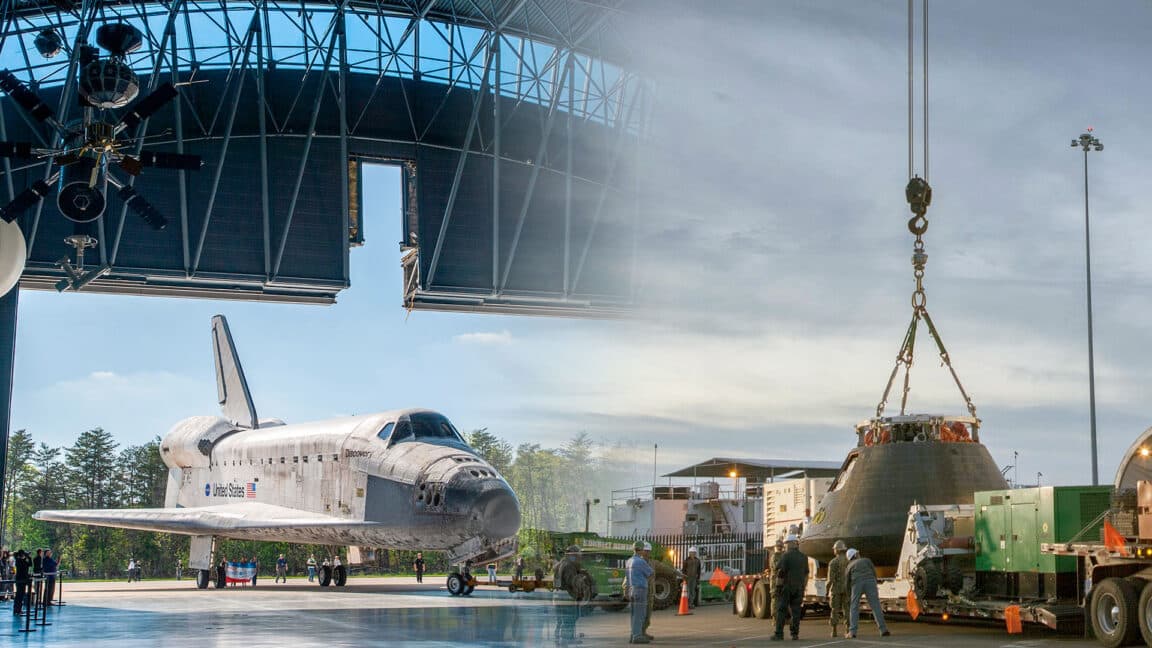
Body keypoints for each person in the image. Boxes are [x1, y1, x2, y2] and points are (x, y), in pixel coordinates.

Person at [770, 534, 809, 641]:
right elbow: (806, 574)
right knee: (796, 611)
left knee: (781, 610)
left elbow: (780, 572)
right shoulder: (804, 557)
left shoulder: (786, 556)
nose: (785, 545)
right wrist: (803, 586)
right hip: (799, 588)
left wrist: (778, 587)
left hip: (786, 587)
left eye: (786, 543)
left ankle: (779, 634)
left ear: (792, 543)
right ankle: (794, 634)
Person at [845, 548, 890, 639]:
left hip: (856, 584)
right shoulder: (866, 560)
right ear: (856, 555)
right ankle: (883, 630)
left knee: (854, 607)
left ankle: (852, 632)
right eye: (858, 553)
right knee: (876, 606)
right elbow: (874, 573)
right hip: (870, 581)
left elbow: (847, 581)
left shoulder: (849, 566)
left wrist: (848, 594)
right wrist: (874, 583)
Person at [624, 541, 653, 644]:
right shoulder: (641, 561)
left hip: (631, 589)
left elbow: (627, 578)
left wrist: (626, 590)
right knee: (640, 614)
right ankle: (637, 636)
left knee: (633, 614)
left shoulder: (629, 561)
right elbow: (650, 573)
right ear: (641, 550)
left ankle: (633, 634)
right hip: (640, 589)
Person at [827, 540, 849, 637]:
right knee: (847, 609)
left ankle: (834, 631)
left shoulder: (833, 562)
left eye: (834, 549)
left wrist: (827, 590)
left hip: (836, 589)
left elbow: (830, 579)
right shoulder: (849, 561)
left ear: (837, 550)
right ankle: (848, 629)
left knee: (834, 609)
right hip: (847, 588)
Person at [12, 549, 31, 615]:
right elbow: (24, 564)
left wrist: (28, 557)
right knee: (19, 595)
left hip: (23, 580)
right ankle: (16, 610)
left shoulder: (21, 560)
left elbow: (30, 564)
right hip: (20, 580)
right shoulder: (18, 560)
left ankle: (19, 609)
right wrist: (26, 557)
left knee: (21, 595)